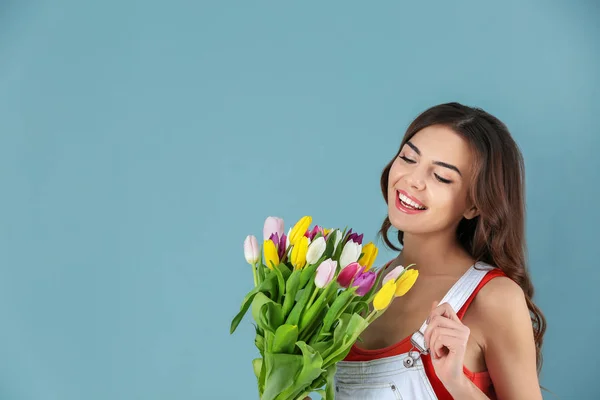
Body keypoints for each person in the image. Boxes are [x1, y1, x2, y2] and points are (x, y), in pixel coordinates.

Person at [307, 102, 546, 399]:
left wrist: (457, 382)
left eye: (442, 177)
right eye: (408, 158)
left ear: (474, 204)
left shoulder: (494, 298)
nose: (412, 180)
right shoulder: (356, 291)